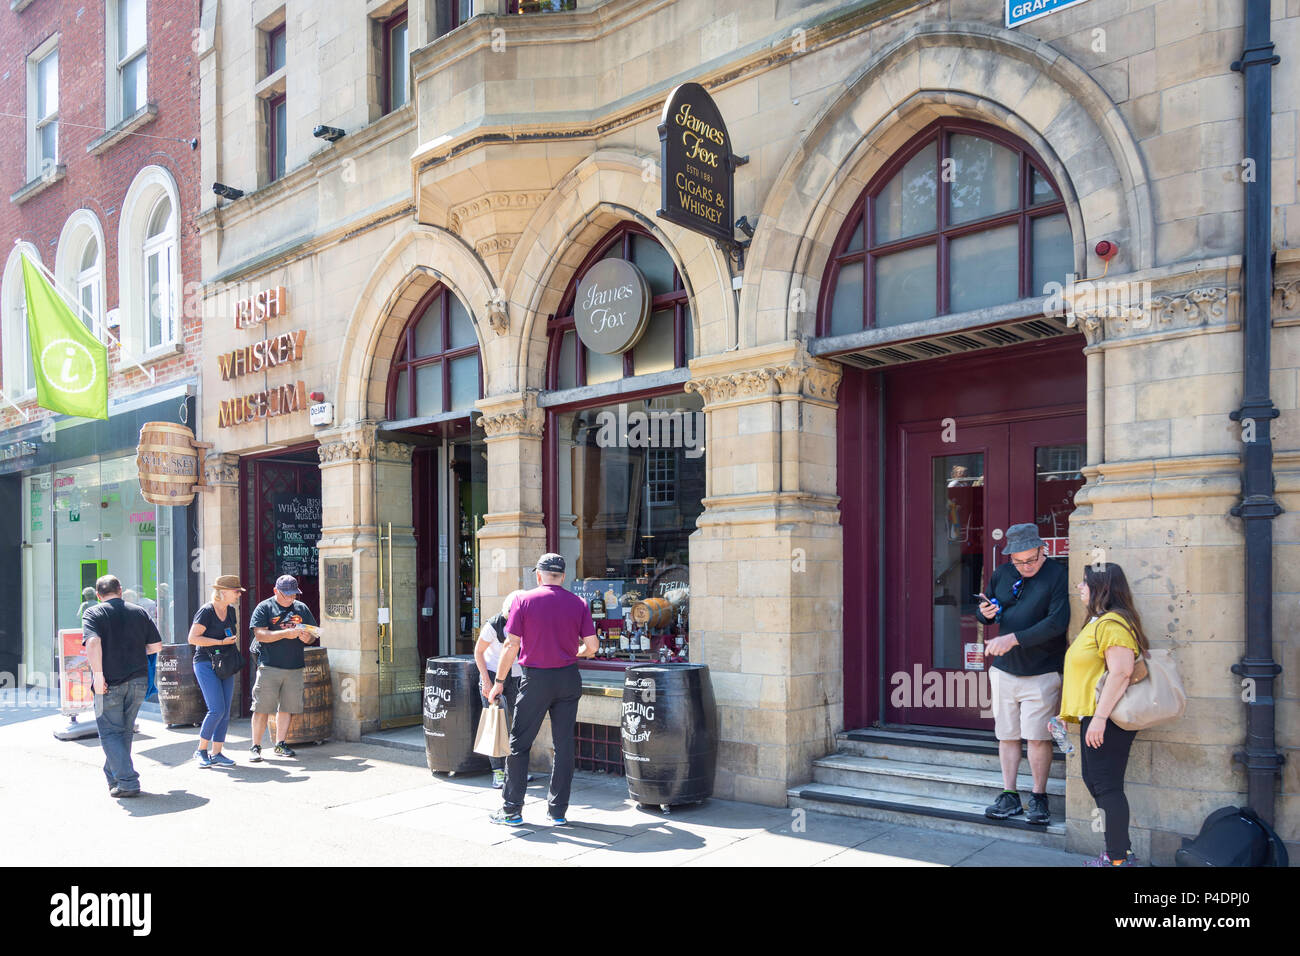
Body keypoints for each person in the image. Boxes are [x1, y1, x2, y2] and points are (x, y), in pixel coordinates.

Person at [488, 554, 597, 826]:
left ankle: (512, 810)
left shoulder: (523, 601)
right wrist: (576, 652)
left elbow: (511, 645)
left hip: (536, 679)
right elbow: (593, 647)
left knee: (519, 744)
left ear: (539, 575)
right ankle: (557, 812)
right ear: (562, 576)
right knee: (564, 747)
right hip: (568, 677)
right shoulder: (578, 603)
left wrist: (499, 682)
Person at [978, 523, 1069, 825]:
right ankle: (1009, 795)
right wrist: (986, 612)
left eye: (1032, 559)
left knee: (1038, 738)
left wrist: (1013, 638)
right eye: (1019, 561)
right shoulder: (1003, 574)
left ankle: (1039, 797)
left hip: (1042, 669)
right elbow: (988, 604)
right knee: (1007, 735)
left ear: (1043, 550)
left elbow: (1057, 622)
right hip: (1005, 671)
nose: (1026, 566)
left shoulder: (1057, 574)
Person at [1059, 562, 1145, 866]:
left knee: (1106, 786)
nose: (1080, 588)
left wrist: (1098, 719)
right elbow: (1091, 674)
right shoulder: (1097, 622)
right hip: (1093, 716)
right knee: (1096, 782)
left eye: (1085, 583)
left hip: (1107, 720)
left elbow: (1121, 673)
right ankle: (1120, 853)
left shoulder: (1112, 623)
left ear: (1101, 588)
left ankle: (1118, 860)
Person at [81, 575, 162, 798]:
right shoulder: (139, 611)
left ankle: (127, 781)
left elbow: (93, 642)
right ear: (120, 590)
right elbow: (155, 646)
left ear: (98, 595)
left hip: (109, 682)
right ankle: (114, 777)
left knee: (109, 733)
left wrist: (98, 676)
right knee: (123, 732)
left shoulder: (93, 612)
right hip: (138, 681)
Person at [248, 575, 317, 761]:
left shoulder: (302, 608)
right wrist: (286, 633)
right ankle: (255, 746)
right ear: (276, 591)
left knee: (287, 707)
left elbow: (312, 635)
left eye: (294, 594)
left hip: (294, 666)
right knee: (261, 707)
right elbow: (260, 634)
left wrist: (307, 638)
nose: (291, 598)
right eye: (287, 594)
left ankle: (280, 744)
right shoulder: (265, 607)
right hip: (269, 666)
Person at [187, 575, 246, 768]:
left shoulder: (230, 611)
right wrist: (219, 642)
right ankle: (201, 750)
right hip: (205, 662)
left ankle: (217, 752)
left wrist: (227, 643)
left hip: (225, 662)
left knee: (225, 711)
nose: (238, 595)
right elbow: (193, 638)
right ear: (223, 592)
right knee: (216, 709)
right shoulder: (206, 611)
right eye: (236, 591)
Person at [475, 590, 528, 789]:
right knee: (495, 724)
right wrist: (486, 681)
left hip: (516, 676)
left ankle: (514, 770)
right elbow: (478, 652)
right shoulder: (494, 624)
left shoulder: (527, 623)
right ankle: (498, 772)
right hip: (491, 674)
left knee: (518, 724)